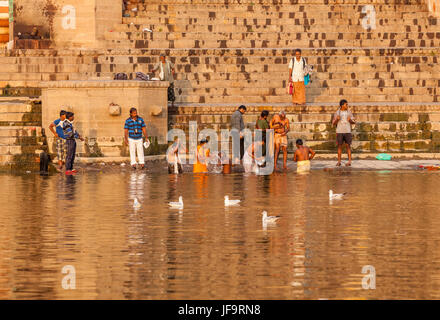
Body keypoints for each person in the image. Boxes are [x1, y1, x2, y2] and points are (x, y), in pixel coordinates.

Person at [332, 99, 356, 167]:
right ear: (342, 105)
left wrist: (350, 120)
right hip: (339, 131)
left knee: (348, 146)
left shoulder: (349, 112)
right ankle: (339, 162)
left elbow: (354, 122)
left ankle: (349, 162)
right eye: (346, 104)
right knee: (339, 146)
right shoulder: (337, 113)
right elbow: (333, 123)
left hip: (347, 131)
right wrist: (337, 119)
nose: (347, 106)